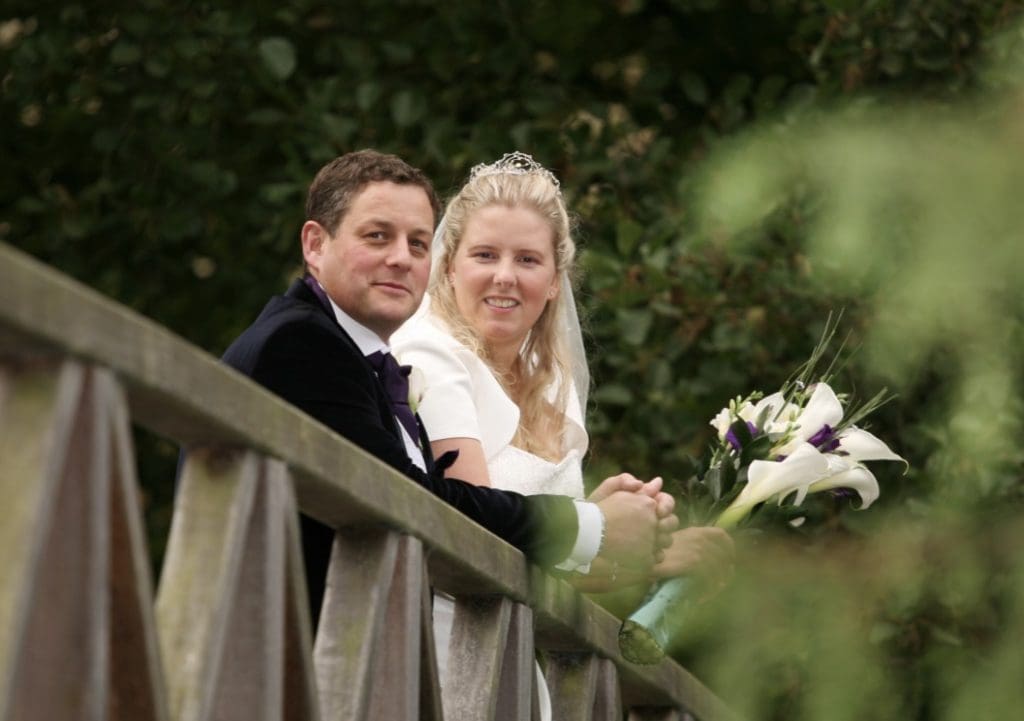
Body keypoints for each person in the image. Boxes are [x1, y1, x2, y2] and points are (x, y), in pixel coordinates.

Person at [220, 150, 677, 627]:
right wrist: (593, 526)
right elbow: (417, 504)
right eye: (377, 236)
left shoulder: (366, 358)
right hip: (292, 655)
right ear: (315, 245)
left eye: (418, 244)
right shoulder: (302, 343)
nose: (400, 258)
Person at [392, 152, 734, 591]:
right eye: (485, 254)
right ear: (450, 268)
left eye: (528, 260)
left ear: (555, 281)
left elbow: (541, 559)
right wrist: (615, 538)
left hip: (515, 645)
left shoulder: (550, 381)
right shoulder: (429, 355)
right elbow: (474, 539)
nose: (504, 276)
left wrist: (621, 524)